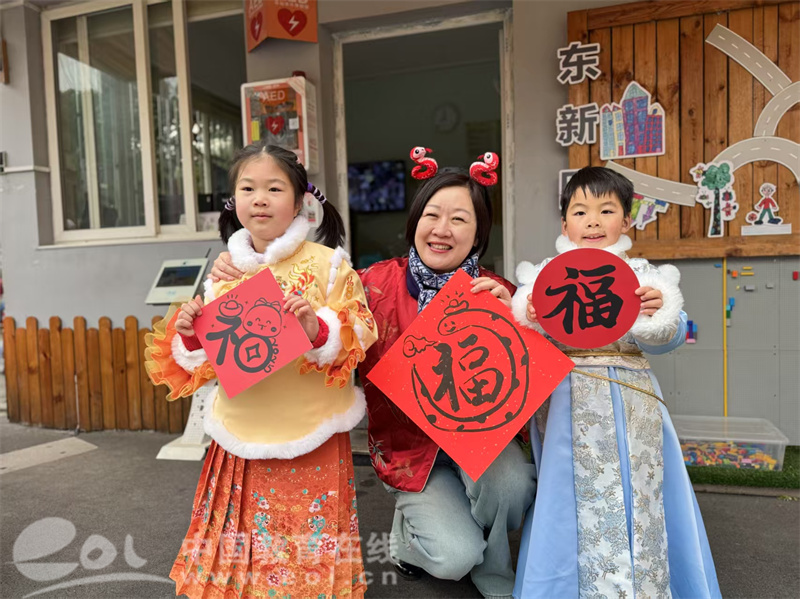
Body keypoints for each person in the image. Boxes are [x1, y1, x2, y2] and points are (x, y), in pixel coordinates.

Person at [211, 150, 537, 599]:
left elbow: (535, 374)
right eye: (432, 215)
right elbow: (307, 301)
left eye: (460, 219)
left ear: (479, 232)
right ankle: (415, 535)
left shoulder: (500, 293)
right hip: (411, 451)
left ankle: (495, 567)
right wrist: (243, 265)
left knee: (513, 484)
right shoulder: (372, 284)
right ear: (414, 221)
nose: (442, 229)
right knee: (454, 557)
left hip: (480, 443)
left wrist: (516, 318)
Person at [145, 143, 377, 599]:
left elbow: (361, 331)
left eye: (274, 188)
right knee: (241, 551)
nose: (260, 199)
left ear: (300, 200)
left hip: (311, 427)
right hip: (240, 432)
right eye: (248, 188)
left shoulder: (329, 264)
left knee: (306, 547)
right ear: (233, 199)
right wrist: (190, 335)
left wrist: (317, 330)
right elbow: (206, 361)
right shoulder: (225, 273)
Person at [510, 166, 720, 599]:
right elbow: (527, 343)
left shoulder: (644, 276)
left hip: (631, 400)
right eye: (580, 211)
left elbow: (671, 335)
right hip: (566, 401)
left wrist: (659, 313)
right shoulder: (545, 276)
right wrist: (529, 316)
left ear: (626, 221)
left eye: (606, 210)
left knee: (639, 488)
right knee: (566, 494)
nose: (592, 221)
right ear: (564, 223)